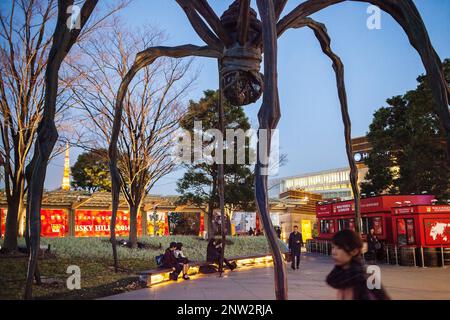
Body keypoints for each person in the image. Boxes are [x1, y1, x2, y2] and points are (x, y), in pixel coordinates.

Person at [326, 230, 390, 300]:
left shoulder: (364, 278)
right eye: (333, 247)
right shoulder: (340, 276)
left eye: (339, 248)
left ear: (354, 251)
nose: (334, 252)